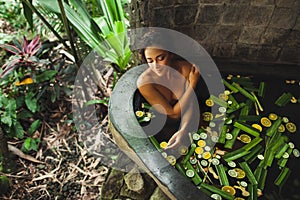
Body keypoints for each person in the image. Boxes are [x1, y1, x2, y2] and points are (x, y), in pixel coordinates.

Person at [136, 31, 209, 150]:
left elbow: (190, 102)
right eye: (150, 61)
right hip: (163, 126)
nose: (156, 65)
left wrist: (183, 130)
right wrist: (192, 85)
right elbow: (173, 115)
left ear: (171, 54)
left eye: (160, 58)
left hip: (190, 116)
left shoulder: (186, 69)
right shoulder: (145, 83)